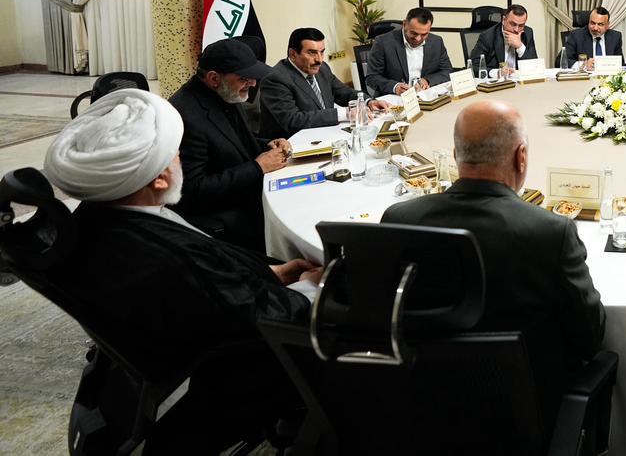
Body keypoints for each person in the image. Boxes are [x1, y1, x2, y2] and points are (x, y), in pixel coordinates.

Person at [40, 90, 319, 453]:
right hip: (244, 367)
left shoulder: (95, 218)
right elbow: (264, 318)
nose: (182, 160)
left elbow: (218, 280)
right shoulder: (164, 258)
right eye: (176, 154)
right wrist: (311, 288)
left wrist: (274, 273)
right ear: (159, 178)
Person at [381, 100, 605, 427]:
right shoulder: (550, 232)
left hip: (422, 411)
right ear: (521, 156)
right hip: (524, 418)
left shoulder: (399, 219)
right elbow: (589, 336)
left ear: (456, 155)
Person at [168, 38, 292, 250]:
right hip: (224, 219)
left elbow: (235, 142)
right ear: (214, 78)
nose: (253, 84)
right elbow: (192, 190)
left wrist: (269, 145)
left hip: (246, 194)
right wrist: (258, 167)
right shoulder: (185, 116)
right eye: (245, 78)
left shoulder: (227, 92)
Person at [258, 27, 388, 139]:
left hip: (324, 134)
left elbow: (343, 92)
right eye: (312, 53)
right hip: (291, 145)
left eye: (322, 52)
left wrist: (368, 102)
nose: (319, 60)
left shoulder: (322, 68)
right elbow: (293, 120)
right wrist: (346, 113)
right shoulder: (276, 79)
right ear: (293, 54)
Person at [365, 7, 454, 96]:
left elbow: (447, 71)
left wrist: (427, 80)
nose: (418, 39)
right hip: (394, 97)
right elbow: (372, 77)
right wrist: (395, 87)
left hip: (425, 95)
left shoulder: (436, 42)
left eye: (424, 34)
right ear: (404, 24)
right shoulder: (383, 42)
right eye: (414, 33)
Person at [470, 3, 539, 76]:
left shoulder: (527, 33)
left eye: (521, 25)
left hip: (519, 79)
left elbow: (535, 67)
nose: (516, 29)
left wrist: (520, 46)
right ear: (503, 20)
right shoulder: (488, 36)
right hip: (497, 81)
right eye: (513, 24)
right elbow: (473, 67)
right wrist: (498, 73)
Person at [561, 6, 624, 71]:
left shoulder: (615, 37)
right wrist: (583, 64)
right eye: (593, 23)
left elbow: (621, 64)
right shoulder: (576, 36)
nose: (595, 28)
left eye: (600, 24)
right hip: (586, 76)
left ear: (607, 25)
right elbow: (560, 61)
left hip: (608, 75)